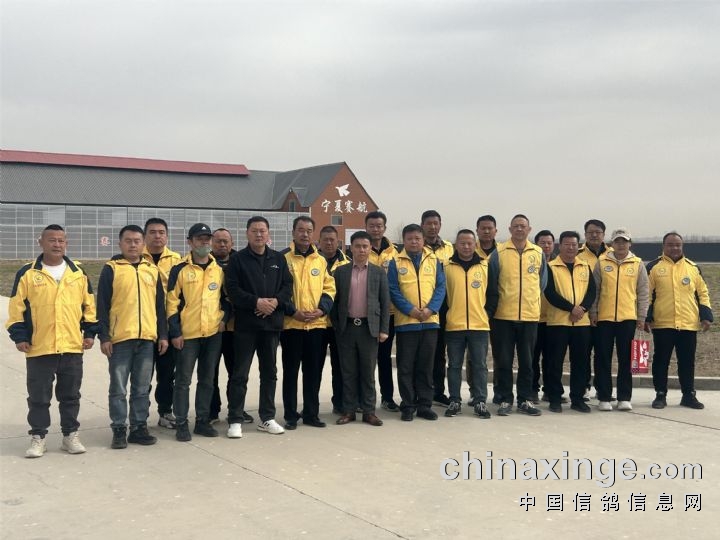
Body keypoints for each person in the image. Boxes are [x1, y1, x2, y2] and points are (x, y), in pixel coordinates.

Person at [6, 224, 98, 458]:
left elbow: (89, 306)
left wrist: (89, 333)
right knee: (38, 397)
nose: (57, 244)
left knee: (70, 396)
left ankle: (70, 436)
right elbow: (16, 309)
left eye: (61, 240)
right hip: (40, 347)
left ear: (66, 243)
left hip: (71, 347)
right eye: (52, 240)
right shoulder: (27, 273)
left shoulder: (78, 272)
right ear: (41, 243)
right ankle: (38, 438)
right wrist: (20, 336)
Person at [97, 225, 168, 449]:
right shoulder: (112, 269)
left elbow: (159, 306)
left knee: (141, 387)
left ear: (143, 244)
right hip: (120, 340)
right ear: (120, 243)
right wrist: (104, 337)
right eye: (128, 241)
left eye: (137, 241)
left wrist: (163, 335)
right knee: (118, 388)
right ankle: (119, 429)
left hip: (146, 339)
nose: (133, 245)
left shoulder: (151, 270)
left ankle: (138, 427)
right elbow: (102, 305)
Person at [224, 216, 293, 438]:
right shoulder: (237, 260)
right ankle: (235, 419)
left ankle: (267, 417)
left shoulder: (278, 259)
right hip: (246, 326)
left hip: (271, 326)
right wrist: (256, 302)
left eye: (262, 230)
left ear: (268, 233)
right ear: (247, 233)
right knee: (240, 374)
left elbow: (287, 286)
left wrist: (274, 302)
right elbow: (232, 289)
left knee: (269, 373)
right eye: (254, 230)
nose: (259, 234)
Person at [166, 224, 230, 441]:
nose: (204, 242)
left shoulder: (218, 269)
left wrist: (223, 319)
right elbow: (171, 304)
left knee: (207, 379)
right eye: (199, 239)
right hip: (188, 336)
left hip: (212, 334)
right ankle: (181, 423)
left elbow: (226, 299)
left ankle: (202, 421)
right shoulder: (179, 269)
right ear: (190, 242)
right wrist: (175, 332)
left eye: (207, 239)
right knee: (183, 381)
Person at [486, 214, 547, 417]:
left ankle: (525, 399)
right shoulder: (499, 253)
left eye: (523, 226)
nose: (519, 229)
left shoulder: (538, 253)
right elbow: (492, 283)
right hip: (503, 316)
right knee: (504, 361)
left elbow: (542, 283)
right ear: (510, 229)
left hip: (529, 317)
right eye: (516, 226)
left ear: (529, 229)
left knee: (527, 362)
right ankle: (505, 399)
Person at [646, 232, 713, 410]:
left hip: (688, 324)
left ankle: (688, 395)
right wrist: (647, 317)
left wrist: (706, 316)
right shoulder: (653, 267)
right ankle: (660, 394)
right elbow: (647, 295)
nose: (674, 248)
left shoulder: (693, 267)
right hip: (663, 323)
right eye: (670, 245)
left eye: (677, 245)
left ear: (682, 246)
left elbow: (703, 293)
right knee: (661, 361)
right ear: (663, 246)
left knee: (687, 362)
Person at [280, 216, 336, 429]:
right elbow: (277, 290)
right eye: (301, 230)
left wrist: (321, 310)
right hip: (291, 325)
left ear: (313, 234)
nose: (305, 234)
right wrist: (293, 312)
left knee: (313, 373)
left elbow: (329, 288)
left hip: (316, 326)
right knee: (291, 373)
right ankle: (290, 415)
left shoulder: (320, 260)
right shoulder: (283, 258)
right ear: (293, 232)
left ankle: (311, 414)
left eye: (309, 230)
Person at [387, 224, 446, 422]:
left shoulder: (434, 260)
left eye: (417, 239)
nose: (414, 242)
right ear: (403, 241)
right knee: (405, 366)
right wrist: (410, 310)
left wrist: (430, 309)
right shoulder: (395, 262)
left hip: (430, 322)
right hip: (406, 323)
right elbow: (393, 290)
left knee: (426, 366)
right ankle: (408, 405)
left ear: (423, 240)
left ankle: (424, 405)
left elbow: (440, 287)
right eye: (410, 239)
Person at [332, 231, 391, 427]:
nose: (362, 250)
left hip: (369, 329)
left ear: (370, 248)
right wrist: (337, 325)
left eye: (365, 246)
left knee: (368, 372)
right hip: (346, 328)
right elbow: (335, 301)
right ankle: (349, 410)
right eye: (357, 246)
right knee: (348, 372)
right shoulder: (341, 272)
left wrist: (383, 329)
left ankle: (369, 412)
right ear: (351, 249)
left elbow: (385, 302)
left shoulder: (378, 272)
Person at [590, 228, 649, 412]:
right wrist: (593, 312)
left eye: (624, 241)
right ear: (612, 243)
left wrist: (641, 316)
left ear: (630, 244)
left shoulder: (638, 264)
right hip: (604, 319)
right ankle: (604, 397)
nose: (621, 244)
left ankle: (624, 397)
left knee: (626, 359)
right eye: (617, 241)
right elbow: (595, 290)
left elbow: (643, 292)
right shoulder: (602, 262)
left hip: (628, 319)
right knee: (602, 358)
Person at [542, 231, 596, 413]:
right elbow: (550, 293)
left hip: (581, 323)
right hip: (558, 323)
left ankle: (578, 398)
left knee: (580, 362)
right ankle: (555, 398)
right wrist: (571, 308)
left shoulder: (585, 266)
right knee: (554, 362)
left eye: (574, 244)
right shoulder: (551, 267)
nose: (571, 248)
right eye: (567, 244)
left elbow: (591, 292)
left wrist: (582, 309)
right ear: (560, 246)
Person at [443, 230, 491, 419]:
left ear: (475, 244)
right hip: (454, 326)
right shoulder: (446, 266)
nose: (466, 246)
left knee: (479, 365)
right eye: (462, 243)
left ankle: (480, 401)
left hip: (479, 326)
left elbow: (493, 293)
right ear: (456, 245)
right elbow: (442, 295)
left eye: (470, 243)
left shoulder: (485, 266)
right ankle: (454, 400)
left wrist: (487, 313)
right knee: (454, 365)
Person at [142, 218, 181, 429]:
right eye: (152, 232)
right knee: (142, 376)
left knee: (167, 375)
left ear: (166, 235)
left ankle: (165, 412)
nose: (157, 236)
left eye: (161, 232)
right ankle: (140, 416)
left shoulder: (176, 260)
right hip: (144, 325)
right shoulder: (136, 258)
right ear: (145, 235)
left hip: (169, 325)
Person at [208, 228, 250, 424]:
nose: (222, 244)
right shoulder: (205, 262)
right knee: (211, 372)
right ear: (211, 243)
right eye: (218, 241)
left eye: (226, 241)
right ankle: (211, 411)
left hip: (237, 328)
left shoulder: (241, 261)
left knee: (237, 372)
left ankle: (237, 409)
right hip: (213, 328)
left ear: (232, 243)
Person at [365, 211, 401, 412]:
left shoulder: (396, 253)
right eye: (372, 225)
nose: (375, 229)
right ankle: (364, 399)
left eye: (379, 226)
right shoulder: (361, 250)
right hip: (366, 315)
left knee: (385, 357)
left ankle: (387, 397)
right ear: (366, 227)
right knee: (366, 359)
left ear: (384, 228)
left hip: (391, 314)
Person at [420, 210, 454, 407]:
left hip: (444, 307)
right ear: (422, 225)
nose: (433, 227)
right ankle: (420, 392)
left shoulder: (449, 248)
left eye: (436, 223)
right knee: (421, 352)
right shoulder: (416, 246)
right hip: (421, 308)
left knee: (440, 351)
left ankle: (438, 391)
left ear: (440, 225)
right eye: (429, 223)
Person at [318, 225, 351, 414]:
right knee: (315, 367)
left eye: (332, 240)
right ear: (319, 242)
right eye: (325, 239)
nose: (329, 243)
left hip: (340, 324)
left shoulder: (348, 263)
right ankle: (311, 406)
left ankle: (340, 403)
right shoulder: (312, 261)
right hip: (318, 323)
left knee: (340, 367)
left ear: (338, 242)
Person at [577, 219, 611, 400]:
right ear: (585, 234)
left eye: (598, 232)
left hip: (606, 314)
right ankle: (583, 388)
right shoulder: (577, 254)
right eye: (590, 232)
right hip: (583, 314)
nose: (594, 235)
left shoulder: (613, 254)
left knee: (603, 354)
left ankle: (602, 389)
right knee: (583, 353)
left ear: (604, 234)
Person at [532, 229, 555, 404]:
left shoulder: (559, 264)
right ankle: (532, 390)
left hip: (553, 319)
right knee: (532, 358)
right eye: (543, 243)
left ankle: (549, 390)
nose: (546, 246)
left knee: (551, 358)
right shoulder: (532, 262)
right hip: (533, 318)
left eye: (549, 243)